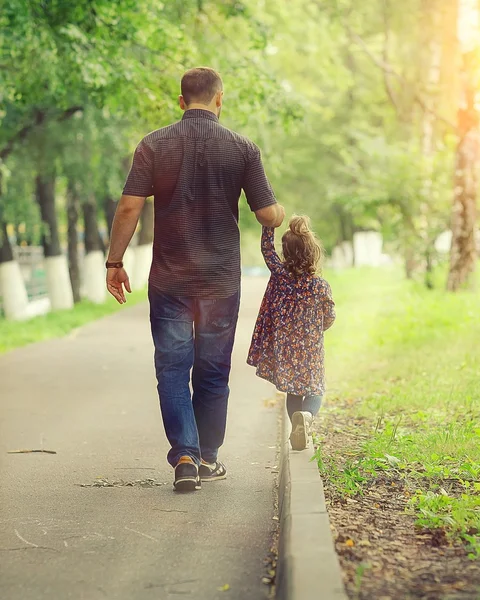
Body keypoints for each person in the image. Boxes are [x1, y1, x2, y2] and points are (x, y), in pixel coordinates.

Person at [105, 67, 285, 491]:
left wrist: (115, 262)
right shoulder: (243, 149)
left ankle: (184, 455)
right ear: (219, 99)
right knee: (212, 370)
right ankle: (207, 456)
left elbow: (129, 207)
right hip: (221, 280)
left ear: (181, 102)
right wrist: (278, 215)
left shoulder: (153, 145)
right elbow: (266, 213)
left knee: (171, 368)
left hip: (170, 279)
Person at [247, 216, 335, 451]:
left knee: (293, 391)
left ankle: (297, 423)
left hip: (286, 349)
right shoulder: (320, 286)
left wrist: (269, 220)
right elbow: (330, 316)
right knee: (315, 389)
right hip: (311, 348)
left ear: (285, 253)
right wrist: (319, 328)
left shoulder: (280, 276)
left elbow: (266, 248)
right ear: (313, 253)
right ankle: (306, 418)